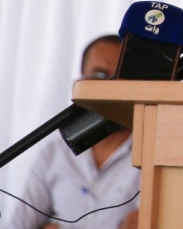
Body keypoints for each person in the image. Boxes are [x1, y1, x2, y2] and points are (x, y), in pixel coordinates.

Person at [1, 35, 140, 229]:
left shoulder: (152, 157)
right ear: (79, 85)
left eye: (120, 77)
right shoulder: (54, 153)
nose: (110, 87)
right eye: (100, 76)